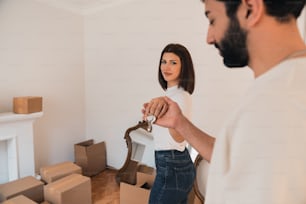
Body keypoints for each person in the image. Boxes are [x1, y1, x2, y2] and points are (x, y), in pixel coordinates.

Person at [143, 0, 306, 203]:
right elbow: (236, 157)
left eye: (212, 19)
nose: (209, 38)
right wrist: (179, 123)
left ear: (251, 8)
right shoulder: (279, 87)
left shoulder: (282, 100)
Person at [147, 43, 196, 204]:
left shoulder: (179, 97)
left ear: (184, 67)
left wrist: (170, 121)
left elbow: (180, 138)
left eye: (173, 62)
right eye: (163, 61)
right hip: (175, 164)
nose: (166, 67)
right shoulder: (172, 95)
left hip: (172, 165)